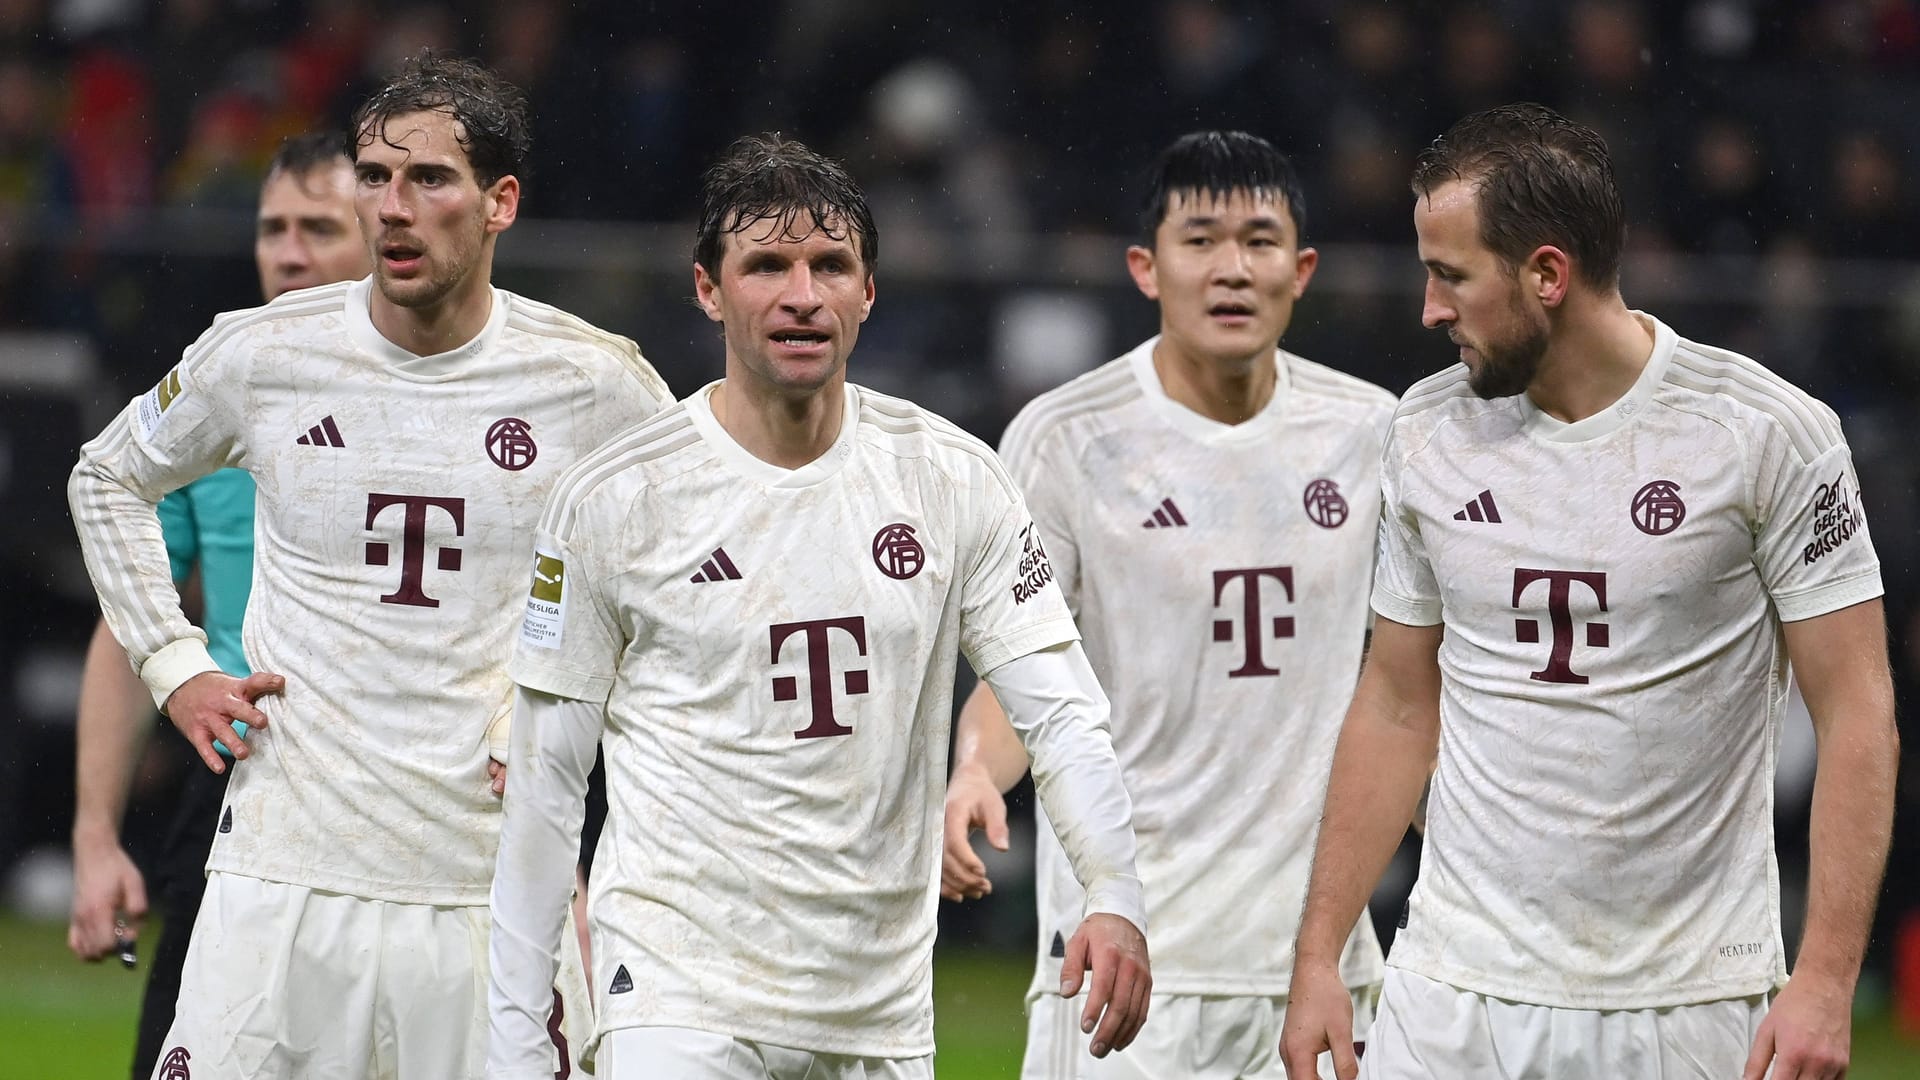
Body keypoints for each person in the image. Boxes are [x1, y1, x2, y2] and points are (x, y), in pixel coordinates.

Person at [484, 133, 1151, 1080]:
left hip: (876, 1014)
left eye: (830, 264)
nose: (803, 294)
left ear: (868, 292)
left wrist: (1115, 890)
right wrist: (515, 1042)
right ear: (709, 291)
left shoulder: (952, 478)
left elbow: (1064, 711)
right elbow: (547, 789)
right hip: (677, 998)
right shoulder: (615, 499)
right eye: (766, 265)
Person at [68, 52, 673, 1079]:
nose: (394, 206)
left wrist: (563, 699)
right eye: (375, 176)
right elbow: (105, 477)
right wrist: (176, 667)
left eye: (430, 179)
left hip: (492, 886)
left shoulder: (595, 381)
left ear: (501, 203)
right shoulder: (263, 353)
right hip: (280, 873)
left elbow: (686, 574)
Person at [1280, 102, 1898, 1080]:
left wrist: (1824, 978)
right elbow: (1399, 703)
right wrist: (1319, 954)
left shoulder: (1765, 434)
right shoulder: (1423, 432)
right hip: (1452, 993)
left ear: (1548, 275)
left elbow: (1858, 711)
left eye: (1450, 275)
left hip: (1686, 1001)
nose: (1428, 309)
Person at [941, 130, 1394, 1079]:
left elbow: (1406, 692)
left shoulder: (1373, 434)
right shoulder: (1065, 439)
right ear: (1146, 267)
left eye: (1261, 240)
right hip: (1120, 955)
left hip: (1315, 967)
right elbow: (1027, 678)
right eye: (1200, 239)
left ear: (1302, 269)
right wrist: (975, 770)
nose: (1233, 268)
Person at [66, 130, 372, 1080]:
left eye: (318, 228)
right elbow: (131, 623)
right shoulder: (212, 400)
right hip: (240, 776)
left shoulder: (462, 407)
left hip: (405, 791)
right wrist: (94, 835)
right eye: (272, 228)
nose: (287, 251)